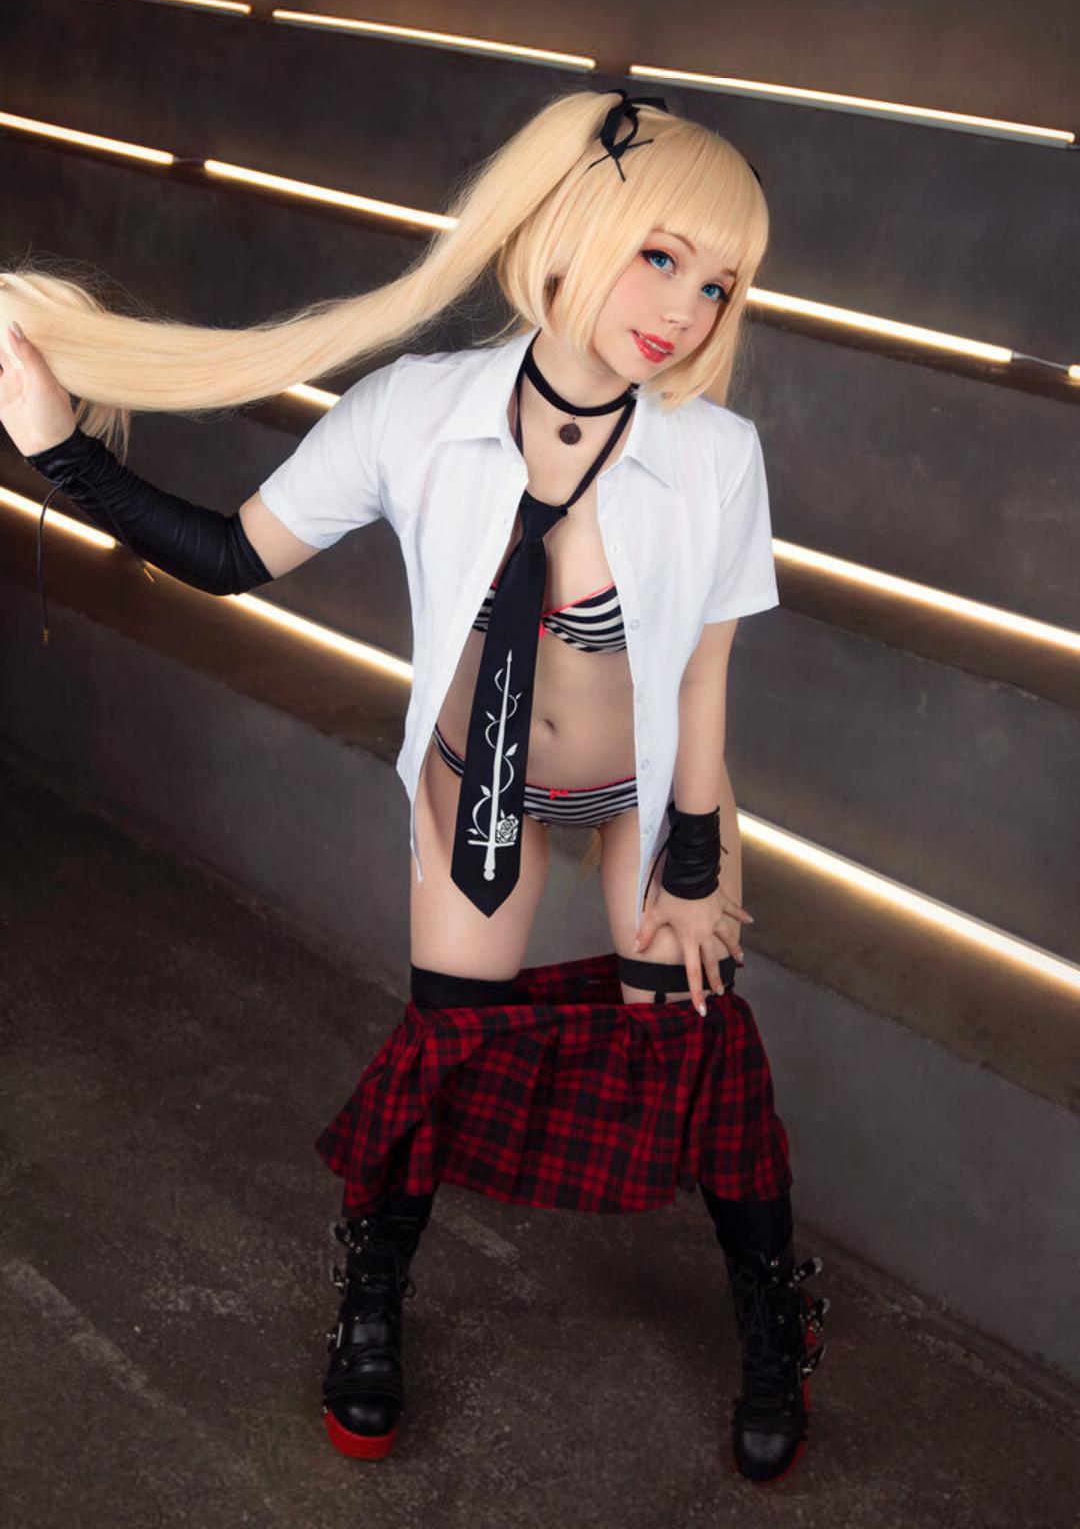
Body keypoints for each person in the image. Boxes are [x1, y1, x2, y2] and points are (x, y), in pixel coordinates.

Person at [0, 86, 829, 1485]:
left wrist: (694, 857)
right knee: (444, 1052)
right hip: (471, 790)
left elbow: (702, 676)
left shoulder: (715, 453)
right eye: (661, 255)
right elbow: (231, 556)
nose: (686, 310)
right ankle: (373, 1298)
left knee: (698, 1050)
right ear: (574, 225)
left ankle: (773, 1317)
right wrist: (57, 446)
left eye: (718, 283)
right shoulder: (414, 411)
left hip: (651, 800)